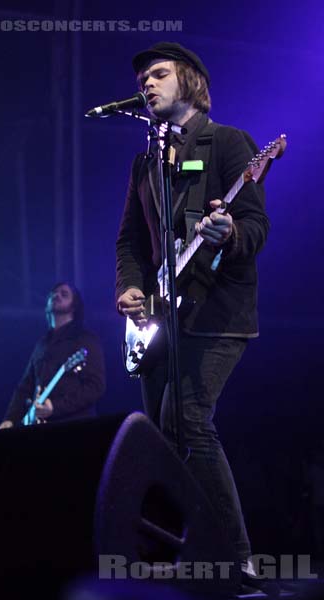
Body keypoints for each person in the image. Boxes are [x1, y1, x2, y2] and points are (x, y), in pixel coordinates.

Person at [115, 42, 273, 593]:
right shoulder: (146, 161)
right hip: (161, 315)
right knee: (159, 436)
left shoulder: (230, 143)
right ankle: (176, 557)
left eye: (158, 74)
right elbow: (132, 240)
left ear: (190, 79)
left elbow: (255, 227)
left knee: (186, 420)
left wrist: (228, 234)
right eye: (142, 78)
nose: (147, 84)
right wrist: (131, 287)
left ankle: (238, 560)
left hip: (218, 313)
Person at [0, 282, 106, 428]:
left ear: (74, 306)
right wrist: (10, 418)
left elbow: (95, 386)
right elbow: (25, 386)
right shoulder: (41, 345)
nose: (57, 295)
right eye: (53, 293)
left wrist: (56, 407)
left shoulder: (85, 339)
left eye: (64, 294)